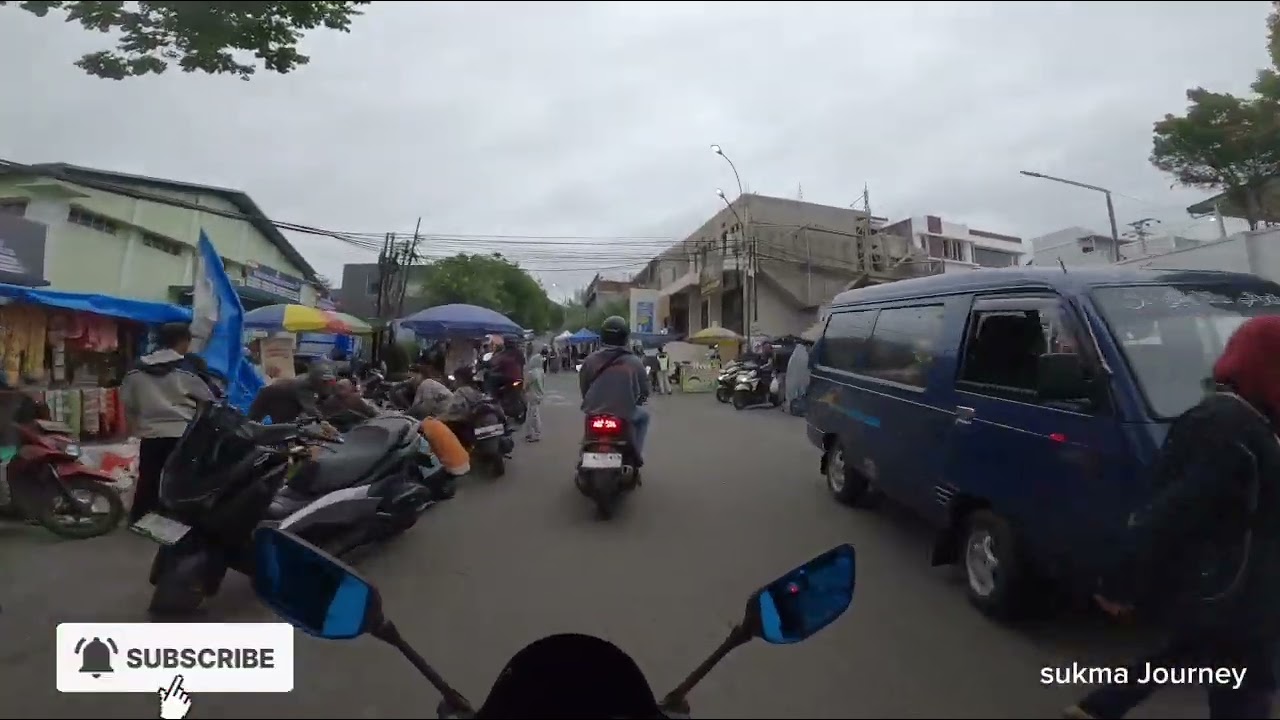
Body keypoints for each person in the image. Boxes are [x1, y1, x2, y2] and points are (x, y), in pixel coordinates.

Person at [1063, 316, 1280, 720]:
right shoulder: (1223, 427)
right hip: (1234, 591)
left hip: (1242, 589)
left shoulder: (1258, 419)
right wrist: (1120, 582)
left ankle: (1096, 708)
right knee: (1243, 688)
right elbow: (1170, 512)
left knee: (1187, 650)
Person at [120, 323, 213, 524]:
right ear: (183, 341)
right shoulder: (190, 368)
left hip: (150, 432)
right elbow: (208, 398)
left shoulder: (136, 368)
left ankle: (141, 517)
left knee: (149, 476)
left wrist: (133, 429)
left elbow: (128, 403)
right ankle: (175, 518)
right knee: (180, 477)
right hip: (182, 432)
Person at [579, 315, 650, 464]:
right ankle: (637, 452)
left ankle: (584, 453)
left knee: (588, 433)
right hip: (624, 413)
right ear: (625, 337)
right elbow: (644, 389)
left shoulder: (590, 360)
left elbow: (584, 386)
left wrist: (590, 401)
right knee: (644, 418)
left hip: (594, 411)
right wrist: (640, 398)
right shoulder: (634, 361)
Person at [247, 361, 335, 425]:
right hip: (273, 399)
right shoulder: (305, 387)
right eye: (325, 382)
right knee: (282, 428)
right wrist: (324, 423)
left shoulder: (310, 383)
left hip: (278, 397)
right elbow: (310, 409)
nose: (328, 385)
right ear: (317, 380)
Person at [524, 348, 547, 442]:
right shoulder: (541, 372)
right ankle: (531, 433)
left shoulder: (532, 373)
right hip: (539, 395)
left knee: (533, 416)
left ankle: (536, 434)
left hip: (532, 395)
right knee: (532, 414)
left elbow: (526, 385)